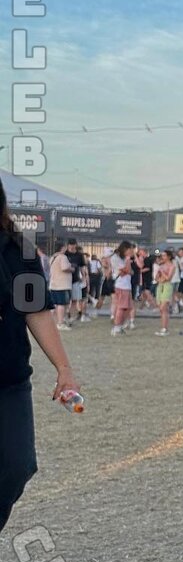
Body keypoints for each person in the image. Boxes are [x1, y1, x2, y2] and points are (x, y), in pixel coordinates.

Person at [0, 178, 81, 532]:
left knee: (18, 465)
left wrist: (63, 368)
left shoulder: (18, 250)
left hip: (8, 379)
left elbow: (36, 311)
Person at [109, 241, 135, 335]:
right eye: (130, 249)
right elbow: (126, 270)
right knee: (121, 307)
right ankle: (117, 327)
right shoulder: (116, 258)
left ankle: (120, 325)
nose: (132, 251)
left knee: (128, 307)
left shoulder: (124, 258)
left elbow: (130, 272)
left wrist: (127, 270)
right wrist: (127, 262)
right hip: (121, 285)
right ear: (125, 249)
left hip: (126, 285)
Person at [154, 249, 176, 336]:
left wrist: (162, 272)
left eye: (164, 255)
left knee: (163, 308)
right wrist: (159, 275)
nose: (162, 257)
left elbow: (168, 278)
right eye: (162, 255)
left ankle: (165, 329)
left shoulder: (172, 266)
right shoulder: (161, 265)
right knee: (161, 309)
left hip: (167, 286)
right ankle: (163, 327)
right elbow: (156, 278)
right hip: (160, 286)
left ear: (169, 257)